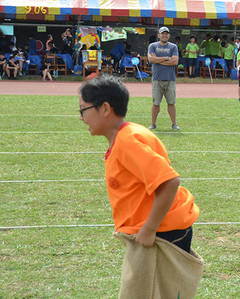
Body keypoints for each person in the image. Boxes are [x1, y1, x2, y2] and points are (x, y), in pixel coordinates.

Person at [78, 75, 200, 296]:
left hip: (163, 232)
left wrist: (149, 229)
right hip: (154, 230)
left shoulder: (128, 142)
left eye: (83, 110)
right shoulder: (125, 136)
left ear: (105, 109)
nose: (81, 118)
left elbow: (169, 181)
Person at [148, 27, 180, 131]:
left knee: (171, 102)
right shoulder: (153, 46)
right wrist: (166, 58)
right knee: (156, 102)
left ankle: (174, 124)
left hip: (170, 78)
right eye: (162, 33)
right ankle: (153, 124)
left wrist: (157, 60)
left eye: (166, 34)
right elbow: (151, 59)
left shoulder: (173, 47)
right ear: (159, 35)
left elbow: (175, 61)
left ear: (169, 36)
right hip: (157, 78)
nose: (164, 35)